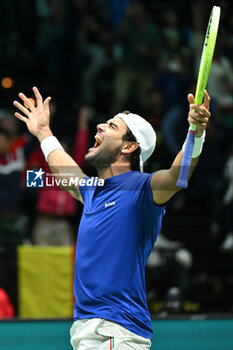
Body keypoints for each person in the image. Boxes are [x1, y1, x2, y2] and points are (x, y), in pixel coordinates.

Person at [13, 86, 211, 349]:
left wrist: (196, 133)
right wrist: (43, 132)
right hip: (90, 330)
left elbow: (177, 176)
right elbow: (65, 171)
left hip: (114, 332)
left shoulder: (143, 188)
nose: (99, 126)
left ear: (129, 146)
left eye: (112, 126)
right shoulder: (93, 190)